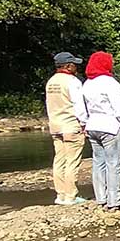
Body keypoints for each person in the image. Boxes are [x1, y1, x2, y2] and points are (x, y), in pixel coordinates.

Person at [82, 52, 120, 210]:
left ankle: (100, 197)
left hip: (92, 125)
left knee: (98, 163)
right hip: (110, 126)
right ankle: (114, 199)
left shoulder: (87, 83)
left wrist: (84, 123)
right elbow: (119, 108)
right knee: (114, 163)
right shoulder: (110, 83)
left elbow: (80, 107)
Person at [45, 52, 88, 206]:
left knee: (59, 161)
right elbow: (79, 106)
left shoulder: (51, 82)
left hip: (55, 126)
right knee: (72, 162)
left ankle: (60, 195)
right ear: (68, 66)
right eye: (74, 64)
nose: (76, 67)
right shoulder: (73, 81)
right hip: (71, 126)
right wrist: (84, 124)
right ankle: (71, 196)